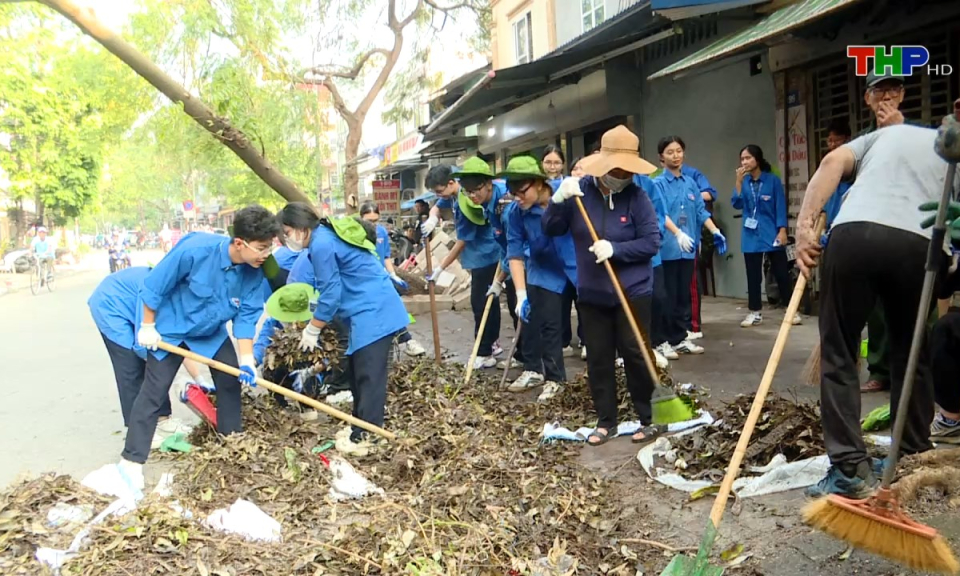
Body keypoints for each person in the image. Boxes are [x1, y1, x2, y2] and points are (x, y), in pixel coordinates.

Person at [795, 114, 958, 498]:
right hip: (920, 246)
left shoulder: (884, 136)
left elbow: (831, 162)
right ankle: (912, 454)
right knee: (912, 351)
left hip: (856, 234)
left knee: (839, 352)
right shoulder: (951, 151)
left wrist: (804, 228)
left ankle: (850, 470)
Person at [119, 205, 281, 491]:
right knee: (153, 392)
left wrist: (246, 360)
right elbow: (155, 286)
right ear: (239, 243)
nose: (266, 255)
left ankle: (231, 445)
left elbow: (246, 318)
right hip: (171, 329)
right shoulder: (195, 250)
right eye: (261, 248)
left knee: (231, 381)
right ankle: (131, 463)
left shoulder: (257, 270)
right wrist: (147, 326)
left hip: (209, 331)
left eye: (270, 247)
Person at [543, 125, 662, 446]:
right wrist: (557, 200)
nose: (623, 174)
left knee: (637, 354)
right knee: (598, 357)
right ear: (604, 164)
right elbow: (551, 228)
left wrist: (616, 249)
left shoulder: (637, 197)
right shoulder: (579, 194)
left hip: (633, 292)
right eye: (618, 168)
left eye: (628, 169)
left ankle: (650, 416)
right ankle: (606, 420)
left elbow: (652, 242)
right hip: (592, 293)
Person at [278, 202, 408, 443]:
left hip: (374, 309)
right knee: (358, 372)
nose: (287, 239)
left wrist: (313, 328)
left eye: (287, 233)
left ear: (300, 227)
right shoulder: (323, 238)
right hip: (363, 310)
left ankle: (367, 436)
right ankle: (358, 427)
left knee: (369, 375)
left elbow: (331, 292)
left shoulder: (321, 244)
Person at [88, 266, 209, 448]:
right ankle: (139, 431)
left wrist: (198, 378)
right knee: (131, 366)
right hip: (109, 306)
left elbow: (179, 346)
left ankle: (162, 420)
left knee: (159, 362)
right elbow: (142, 347)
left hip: (129, 302)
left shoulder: (182, 301)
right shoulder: (157, 293)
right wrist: (173, 375)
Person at [502, 155, 578, 401]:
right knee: (548, 326)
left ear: (538, 183)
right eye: (513, 192)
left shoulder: (567, 193)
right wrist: (521, 294)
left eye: (522, 191)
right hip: (544, 268)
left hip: (579, 264)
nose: (518, 197)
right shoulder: (515, 213)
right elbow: (514, 253)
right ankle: (554, 379)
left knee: (596, 318)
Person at [428, 157, 509, 370]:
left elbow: (462, 241)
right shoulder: (458, 194)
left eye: (440, 190)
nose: (439, 196)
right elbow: (440, 204)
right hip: (482, 256)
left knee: (481, 304)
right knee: (487, 302)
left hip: (488, 255)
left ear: (452, 184)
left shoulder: (468, 202)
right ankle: (492, 345)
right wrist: (432, 216)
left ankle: (484, 351)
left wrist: (440, 267)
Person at [654, 136, 726, 356]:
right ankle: (663, 340)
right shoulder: (658, 184)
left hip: (688, 249)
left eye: (678, 151)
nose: (675, 156)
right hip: (668, 248)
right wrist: (677, 234)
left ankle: (680, 338)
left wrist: (715, 231)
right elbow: (660, 213)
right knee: (667, 296)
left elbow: (700, 212)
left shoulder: (690, 182)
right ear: (661, 158)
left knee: (684, 295)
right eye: (670, 152)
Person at [731, 144, 799, 328]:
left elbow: (780, 206)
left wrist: (782, 229)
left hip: (771, 233)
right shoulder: (744, 182)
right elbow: (736, 204)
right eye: (742, 159)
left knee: (781, 272)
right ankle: (754, 312)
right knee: (753, 275)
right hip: (750, 236)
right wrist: (738, 181)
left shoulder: (772, 181)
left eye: (748, 158)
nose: (744, 162)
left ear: (757, 159)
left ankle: (791, 309)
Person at [359, 201, 426, 357]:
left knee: (391, 305)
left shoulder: (381, 232)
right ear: (361, 218)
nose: (373, 225)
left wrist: (393, 274)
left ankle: (405, 340)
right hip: (363, 279)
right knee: (385, 307)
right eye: (369, 221)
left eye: (376, 220)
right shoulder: (354, 235)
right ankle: (405, 340)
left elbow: (386, 256)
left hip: (380, 277)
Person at [540, 145, 580, 359]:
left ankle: (585, 338)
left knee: (581, 297)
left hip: (573, 249)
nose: (552, 166)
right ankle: (563, 340)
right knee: (561, 301)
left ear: (563, 164)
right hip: (551, 253)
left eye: (556, 162)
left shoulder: (572, 185)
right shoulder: (538, 188)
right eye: (548, 162)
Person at [821, 119, 853, 228]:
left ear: (847, 139)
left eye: (837, 140)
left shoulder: (856, 167)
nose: (833, 145)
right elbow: (824, 209)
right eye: (830, 141)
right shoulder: (827, 168)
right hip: (831, 228)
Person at [420, 164, 463, 237]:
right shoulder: (451, 196)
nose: (437, 195)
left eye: (439, 191)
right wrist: (432, 220)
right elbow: (436, 207)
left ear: (451, 183)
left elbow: (464, 237)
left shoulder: (465, 197)